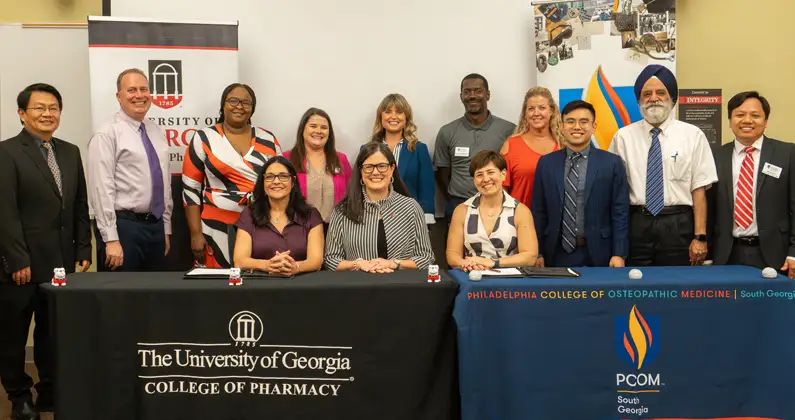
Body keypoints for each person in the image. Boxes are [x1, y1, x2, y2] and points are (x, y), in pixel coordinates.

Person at [0, 83, 91, 420]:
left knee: (53, 333)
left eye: (53, 107)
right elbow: (5, 212)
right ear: (22, 114)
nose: (47, 114)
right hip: (20, 267)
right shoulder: (7, 152)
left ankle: (49, 390)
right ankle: (19, 397)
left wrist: (83, 247)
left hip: (61, 265)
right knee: (12, 336)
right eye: (39, 108)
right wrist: (17, 260)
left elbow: (79, 205)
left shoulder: (70, 151)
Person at [608, 65, 717, 266]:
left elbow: (699, 189)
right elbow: (613, 192)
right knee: (635, 287)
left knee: (676, 287)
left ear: (672, 98)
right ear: (639, 100)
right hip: (636, 225)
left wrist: (700, 236)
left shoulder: (692, 135)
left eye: (660, 92)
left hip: (679, 225)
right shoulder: (623, 137)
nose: (653, 98)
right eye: (646, 93)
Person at [182, 83, 282, 268]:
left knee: (256, 281)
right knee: (216, 286)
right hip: (215, 226)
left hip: (259, 225)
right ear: (223, 105)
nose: (239, 106)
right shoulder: (204, 138)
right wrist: (196, 234)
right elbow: (190, 189)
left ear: (252, 109)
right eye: (233, 101)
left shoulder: (268, 140)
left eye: (246, 103)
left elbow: (281, 184)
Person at [87, 68, 173, 272]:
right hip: (123, 228)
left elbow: (164, 183)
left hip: (155, 226)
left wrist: (165, 229)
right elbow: (101, 188)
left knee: (154, 295)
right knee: (122, 297)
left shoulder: (154, 130)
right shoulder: (106, 133)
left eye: (144, 89)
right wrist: (110, 239)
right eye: (132, 90)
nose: (139, 95)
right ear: (119, 96)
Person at [532, 100, 629, 267]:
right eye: (570, 121)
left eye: (584, 122)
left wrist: (619, 253)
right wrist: (537, 252)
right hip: (555, 253)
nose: (577, 126)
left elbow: (620, 212)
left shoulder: (612, 163)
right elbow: (539, 212)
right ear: (561, 127)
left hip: (601, 253)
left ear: (594, 127)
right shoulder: (546, 163)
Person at [709, 91, 795, 277]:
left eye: (755, 115)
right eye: (740, 115)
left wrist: (793, 253)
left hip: (775, 254)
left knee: (773, 305)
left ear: (766, 122)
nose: (747, 120)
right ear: (730, 120)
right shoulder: (715, 156)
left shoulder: (787, 153)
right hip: (727, 253)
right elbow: (710, 209)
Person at [324, 142, 435, 272]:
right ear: (360, 171)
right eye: (368, 167)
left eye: (382, 166)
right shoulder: (343, 210)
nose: (375, 172)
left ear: (392, 169)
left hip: (402, 286)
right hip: (357, 286)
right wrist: (358, 264)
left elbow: (426, 258)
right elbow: (331, 260)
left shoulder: (411, 208)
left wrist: (394, 263)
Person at [434, 73, 516, 221]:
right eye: (467, 91)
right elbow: (442, 172)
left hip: (497, 204)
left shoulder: (509, 130)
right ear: (461, 97)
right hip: (458, 204)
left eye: (478, 90)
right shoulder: (447, 132)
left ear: (488, 95)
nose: (472, 95)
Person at [446, 150, 538, 271]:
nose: (486, 179)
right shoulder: (462, 210)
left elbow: (530, 257)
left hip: (510, 280)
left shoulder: (520, 211)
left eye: (490, 172)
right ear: (474, 180)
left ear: (503, 174)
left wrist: (491, 262)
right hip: (472, 276)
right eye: (479, 174)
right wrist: (467, 264)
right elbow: (452, 255)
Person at [233, 156, 324, 275]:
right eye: (270, 177)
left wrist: (295, 267)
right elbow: (239, 261)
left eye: (283, 176)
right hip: (260, 284)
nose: (276, 181)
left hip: (301, 284)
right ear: (263, 183)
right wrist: (268, 265)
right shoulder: (249, 214)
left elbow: (316, 261)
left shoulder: (310, 215)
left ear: (293, 182)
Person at [370, 93, 435, 225]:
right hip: (375, 218)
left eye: (399, 112)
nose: (393, 116)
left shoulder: (419, 150)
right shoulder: (367, 150)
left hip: (409, 219)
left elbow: (427, 188)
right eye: (388, 112)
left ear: (406, 118)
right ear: (380, 118)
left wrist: (426, 219)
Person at [284, 108, 351, 224]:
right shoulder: (287, 159)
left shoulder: (341, 159)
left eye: (324, 128)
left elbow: (352, 192)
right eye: (313, 126)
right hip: (299, 229)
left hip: (335, 229)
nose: (319, 131)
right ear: (302, 129)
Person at [501, 86, 564, 209]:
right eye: (531, 109)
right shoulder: (511, 145)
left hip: (556, 223)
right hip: (519, 222)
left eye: (542, 108)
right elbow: (501, 190)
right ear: (525, 113)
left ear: (551, 111)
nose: (536, 113)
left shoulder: (563, 144)